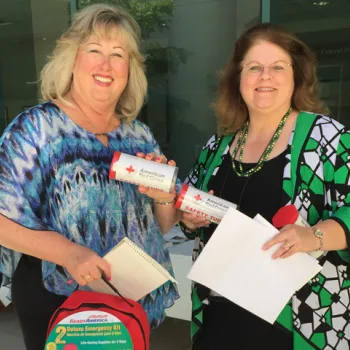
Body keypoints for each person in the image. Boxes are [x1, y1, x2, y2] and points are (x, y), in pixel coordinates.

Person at [0, 4, 179, 350]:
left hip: (128, 297)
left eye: (118, 54)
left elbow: (162, 224)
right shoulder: (36, 130)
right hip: (59, 299)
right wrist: (69, 254)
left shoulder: (139, 136)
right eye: (94, 50)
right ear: (72, 60)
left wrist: (163, 195)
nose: (106, 65)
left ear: (130, 69)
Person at [179, 23, 350, 350]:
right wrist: (189, 218)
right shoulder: (217, 146)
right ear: (238, 79)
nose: (265, 76)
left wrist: (313, 235)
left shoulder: (329, 138)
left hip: (298, 325)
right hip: (220, 319)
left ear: (296, 76)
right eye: (254, 67)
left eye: (277, 67)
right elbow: (190, 215)